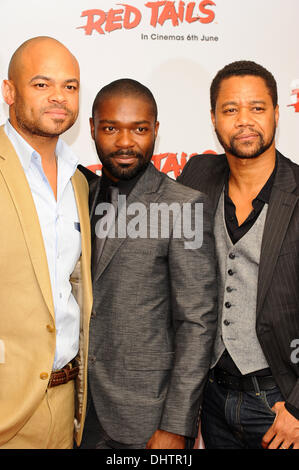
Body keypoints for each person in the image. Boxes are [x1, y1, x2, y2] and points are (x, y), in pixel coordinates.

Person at [79, 78, 217, 449]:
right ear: (92, 128)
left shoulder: (183, 206)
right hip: (76, 414)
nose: (125, 143)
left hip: (149, 419)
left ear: (155, 130)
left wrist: (176, 425)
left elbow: (197, 323)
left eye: (139, 129)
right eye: (111, 128)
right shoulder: (77, 197)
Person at [178, 60, 299, 449]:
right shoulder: (197, 175)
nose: (244, 120)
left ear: (277, 114)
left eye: (257, 108)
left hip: (279, 402)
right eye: (231, 110)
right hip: (212, 399)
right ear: (214, 119)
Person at [0, 36, 92, 449]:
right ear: (9, 91)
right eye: (42, 84)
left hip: (67, 408)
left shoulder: (79, 181)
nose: (59, 97)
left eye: (69, 86)